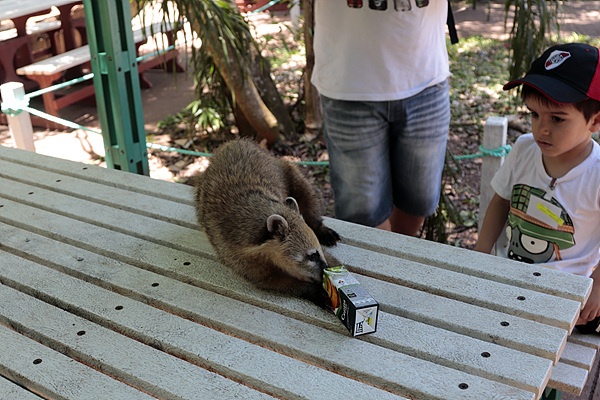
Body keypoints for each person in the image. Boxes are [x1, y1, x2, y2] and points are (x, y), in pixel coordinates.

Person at [475, 43, 600, 329]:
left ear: (595, 120)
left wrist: (597, 290)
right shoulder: (524, 148)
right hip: (509, 277)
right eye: (534, 114)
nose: (541, 129)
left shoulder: (597, 173)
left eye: (557, 119)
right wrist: (480, 255)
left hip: (568, 294)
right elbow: (501, 201)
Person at [310, 1, 452, 237]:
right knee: (362, 214)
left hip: (425, 78)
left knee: (420, 200)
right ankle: (385, 269)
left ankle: (397, 264)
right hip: (349, 83)